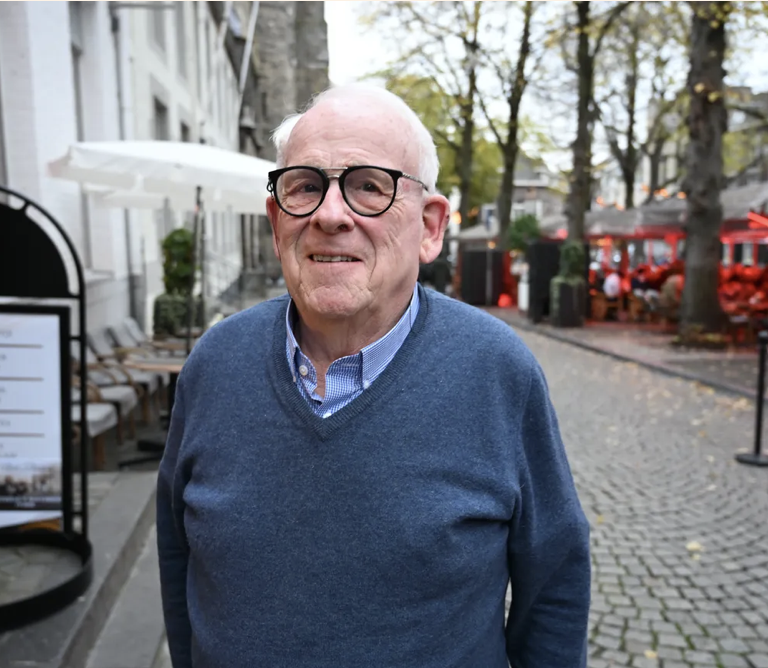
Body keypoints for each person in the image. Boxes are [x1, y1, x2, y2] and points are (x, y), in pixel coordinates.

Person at [156, 83, 591, 668]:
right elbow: (178, 555)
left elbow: (555, 582)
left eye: (368, 186)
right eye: (305, 187)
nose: (330, 215)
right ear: (276, 221)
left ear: (430, 227)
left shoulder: (496, 371)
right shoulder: (214, 365)